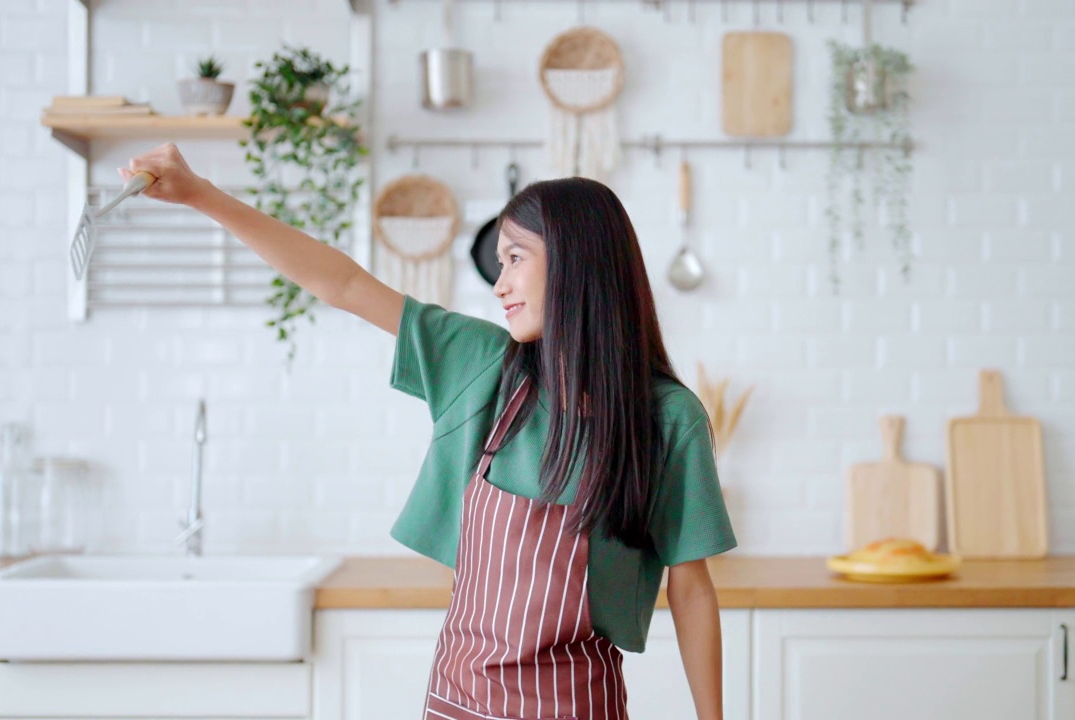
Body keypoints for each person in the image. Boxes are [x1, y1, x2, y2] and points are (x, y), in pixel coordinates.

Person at [123, 144, 737, 720]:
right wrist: (202, 195)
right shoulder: (484, 367)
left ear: (576, 263)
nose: (500, 284)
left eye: (515, 259)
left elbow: (692, 590)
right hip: (458, 702)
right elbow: (344, 285)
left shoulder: (666, 419)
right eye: (501, 264)